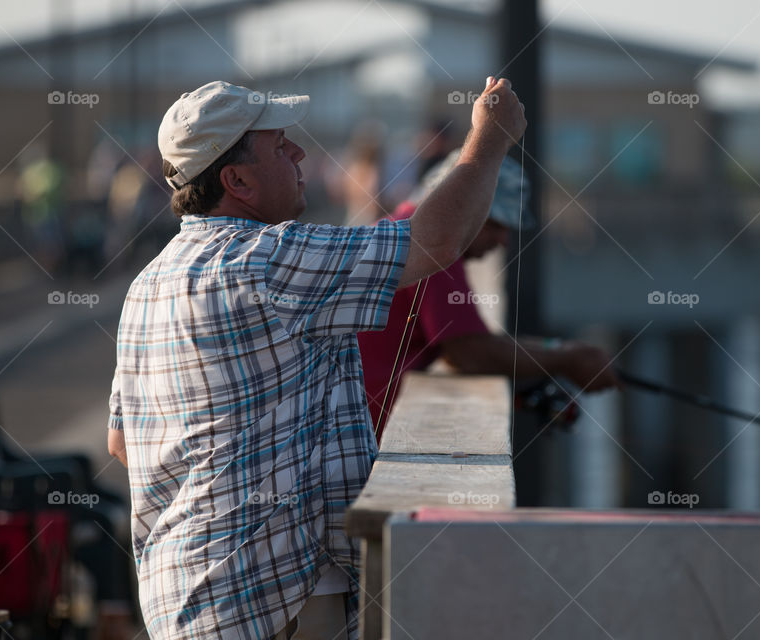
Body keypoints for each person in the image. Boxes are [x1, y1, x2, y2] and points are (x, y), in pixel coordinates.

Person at [105, 78, 525, 639]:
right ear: (237, 180)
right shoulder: (264, 261)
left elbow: (122, 442)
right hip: (274, 602)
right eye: (280, 146)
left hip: (183, 598)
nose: (300, 154)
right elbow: (436, 242)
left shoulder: (147, 284)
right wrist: (489, 139)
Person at [358, 148, 621, 436]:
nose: (503, 240)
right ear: (458, 207)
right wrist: (568, 359)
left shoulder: (408, 228)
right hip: (363, 440)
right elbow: (470, 352)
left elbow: (468, 343)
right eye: (495, 224)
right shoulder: (424, 245)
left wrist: (563, 350)